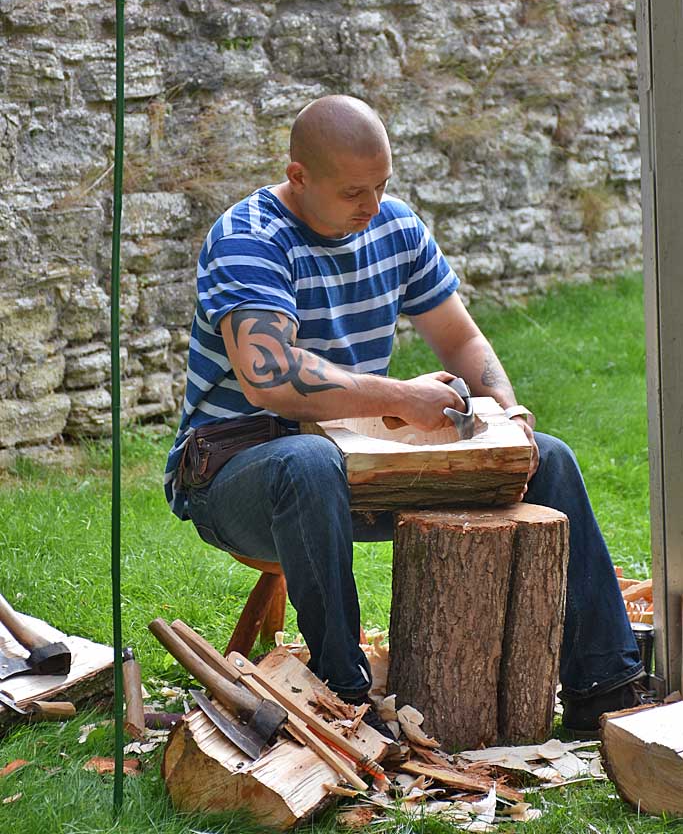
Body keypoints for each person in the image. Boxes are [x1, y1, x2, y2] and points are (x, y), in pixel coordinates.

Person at [164, 94, 644, 736]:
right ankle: (345, 699)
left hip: (364, 462)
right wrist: (399, 397)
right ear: (298, 176)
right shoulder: (248, 239)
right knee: (308, 461)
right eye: (353, 191)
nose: (371, 205)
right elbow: (270, 377)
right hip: (237, 469)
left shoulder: (395, 227)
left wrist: (507, 413)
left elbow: (460, 339)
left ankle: (606, 689)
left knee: (547, 457)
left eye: (382, 185)